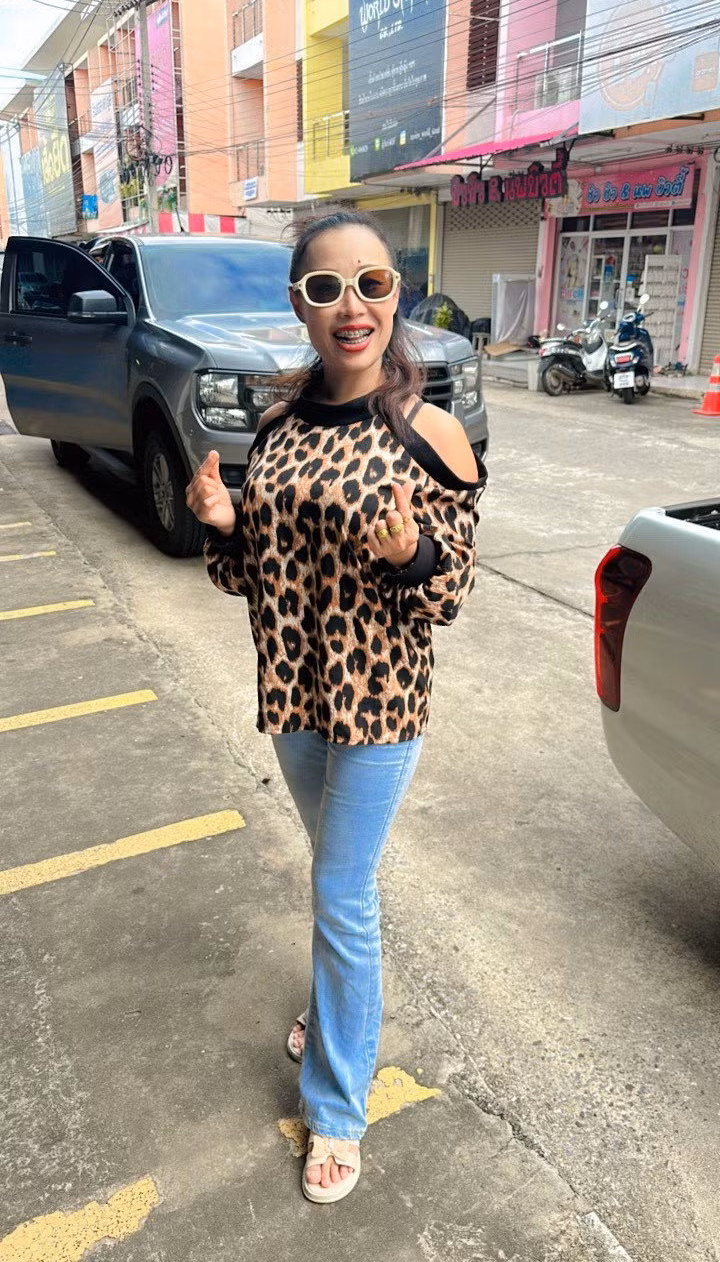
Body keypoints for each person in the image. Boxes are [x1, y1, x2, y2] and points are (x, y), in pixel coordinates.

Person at [185, 209, 487, 1204]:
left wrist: (412, 554)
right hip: (296, 699)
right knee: (334, 879)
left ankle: (338, 1108)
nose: (351, 306)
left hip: (382, 706)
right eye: (326, 288)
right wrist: (225, 523)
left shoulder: (428, 432)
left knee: (342, 890)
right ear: (300, 305)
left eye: (372, 283)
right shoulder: (277, 429)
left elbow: (450, 590)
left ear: (396, 295)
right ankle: (331, 1008)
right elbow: (252, 577)